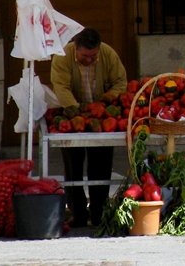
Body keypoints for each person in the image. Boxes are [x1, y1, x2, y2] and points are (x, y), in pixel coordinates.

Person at [50, 28, 127, 228]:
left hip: (101, 117)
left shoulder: (108, 53)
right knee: (73, 167)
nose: (90, 60)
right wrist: (77, 111)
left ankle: (99, 212)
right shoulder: (62, 56)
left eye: (93, 56)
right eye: (85, 56)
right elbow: (61, 87)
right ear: (75, 48)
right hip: (72, 115)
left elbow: (120, 82)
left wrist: (106, 101)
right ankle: (78, 214)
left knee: (100, 167)